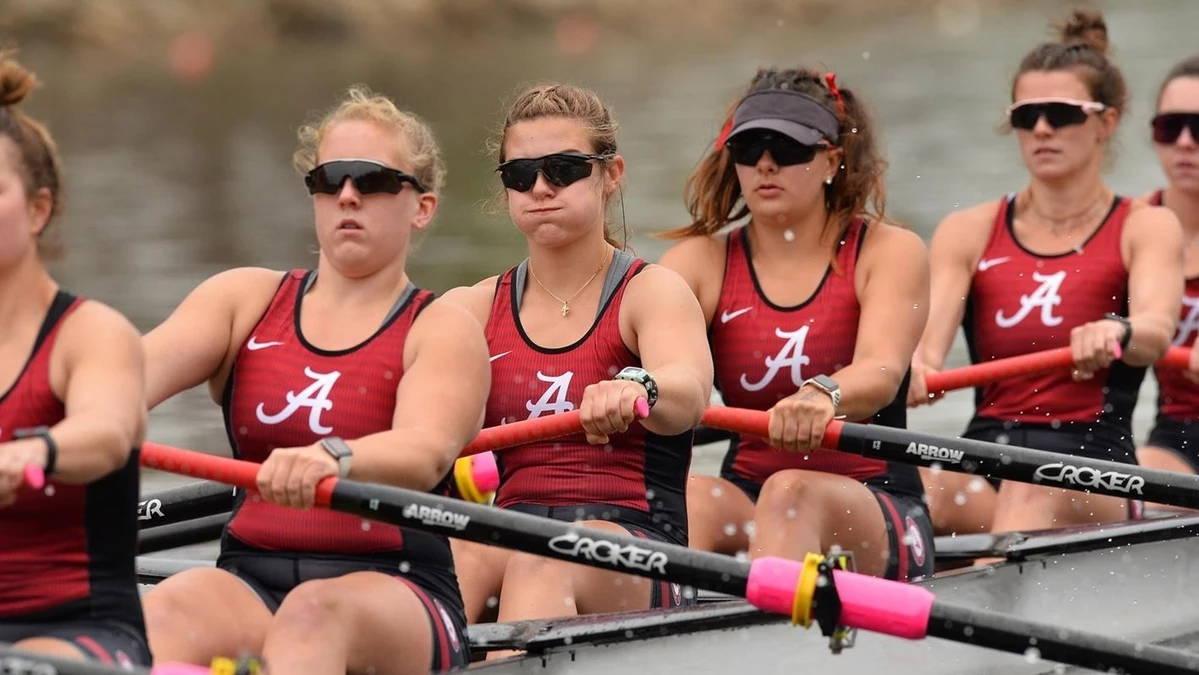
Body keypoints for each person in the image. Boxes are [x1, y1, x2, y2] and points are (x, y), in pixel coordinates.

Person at [138, 86, 491, 675]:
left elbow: (426, 448)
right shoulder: (241, 300)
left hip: (400, 591)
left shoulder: (441, 327)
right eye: (330, 180)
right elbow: (121, 382)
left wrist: (334, 457)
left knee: (312, 616)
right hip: (250, 579)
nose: (347, 194)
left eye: (373, 179)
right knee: (160, 611)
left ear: (421, 207)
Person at [444, 83, 713, 636]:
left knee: (543, 558)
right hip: (510, 529)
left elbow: (688, 391)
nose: (540, 187)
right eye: (520, 175)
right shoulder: (468, 309)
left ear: (611, 174)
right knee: (439, 553)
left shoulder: (650, 292)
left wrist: (639, 385)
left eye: (563, 168)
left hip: (639, 543)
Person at [909, 9, 1184, 537]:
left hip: (1097, 472)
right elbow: (926, 353)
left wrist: (1118, 329)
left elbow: (1154, 330)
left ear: (1106, 122)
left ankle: (964, 602)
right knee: (899, 485)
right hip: (985, 459)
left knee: (1030, 486)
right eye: (1026, 114)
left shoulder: (1145, 227)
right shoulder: (967, 231)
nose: (1040, 129)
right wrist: (914, 372)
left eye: (1061, 113)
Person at [658, 66, 935, 581]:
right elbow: (657, 369)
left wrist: (822, 395)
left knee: (790, 491)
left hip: (876, 501)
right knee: (684, 497)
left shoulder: (889, 251)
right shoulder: (696, 262)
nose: (765, 164)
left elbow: (881, 371)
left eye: (787, 149)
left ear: (831, 159)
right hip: (747, 492)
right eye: (749, 149)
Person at [0, 51, 151, 668]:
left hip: (84, 635)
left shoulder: (91, 334)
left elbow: (108, 434)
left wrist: (33, 452)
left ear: (38, 210)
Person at [1135, 55, 1199, 509]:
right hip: (1177, 439)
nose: (1184, 143)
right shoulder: (1128, 227)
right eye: (1169, 127)